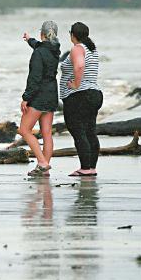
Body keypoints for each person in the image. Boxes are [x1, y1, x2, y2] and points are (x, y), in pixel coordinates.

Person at [60, 22, 102, 177]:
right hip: (94, 94)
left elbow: (79, 66)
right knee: (90, 132)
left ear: (72, 35)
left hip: (79, 96)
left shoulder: (77, 48)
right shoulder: (92, 49)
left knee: (78, 132)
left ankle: (85, 168)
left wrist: (75, 85)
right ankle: (91, 168)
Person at [19, 20, 60, 177]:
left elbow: (35, 78)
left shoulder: (39, 53)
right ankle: (44, 168)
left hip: (39, 96)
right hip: (51, 95)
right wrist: (29, 40)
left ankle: (42, 163)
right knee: (47, 133)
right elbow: (39, 46)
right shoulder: (55, 50)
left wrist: (26, 97)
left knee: (24, 130)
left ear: (42, 33)